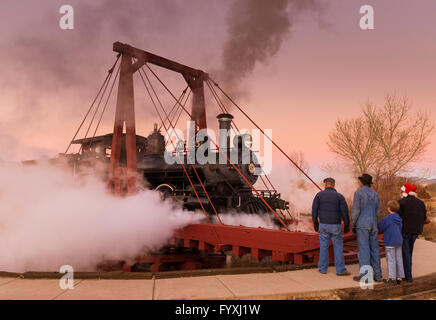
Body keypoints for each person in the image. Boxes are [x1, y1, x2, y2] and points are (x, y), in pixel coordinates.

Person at [312, 177, 351, 276]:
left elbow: (314, 211)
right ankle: (340, 270)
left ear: (325, 185)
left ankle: (322, 269)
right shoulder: (339, 196)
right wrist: (347, 225)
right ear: (333, 185)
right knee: (338, 247)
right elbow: (345, 212)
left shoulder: (319, 195)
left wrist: (316, 224)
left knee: (323, 247)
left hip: (323, 225)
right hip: (335, 225)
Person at [351, 173, 383, 282]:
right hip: (373, 224)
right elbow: (377, 212)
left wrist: (353, 224)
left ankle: (365, 276)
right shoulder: (376, 194)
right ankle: (378, 276)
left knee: (364, 250)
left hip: (362, 224)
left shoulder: (358, 193)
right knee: (374, 249)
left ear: (361, 182)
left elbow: (356, 211)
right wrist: (375, 222)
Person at [399, 183, 430, 282]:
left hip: (405, 230)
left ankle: (407, 276)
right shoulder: (421, 203)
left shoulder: (401, 202)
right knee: (409, 252)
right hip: (416, 231)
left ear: (405, 192)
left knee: (405, 253)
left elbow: (397, 218)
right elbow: (424, 218)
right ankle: (407, 273)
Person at [378, 200, 405, 284]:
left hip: (390, 241)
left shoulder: (387, 219)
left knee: (391, 260)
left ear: (388, 208)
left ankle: (392, 278)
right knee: (399, 259)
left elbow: (380, 227)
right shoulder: (399, 219)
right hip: (399, 240)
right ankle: (399, 277)